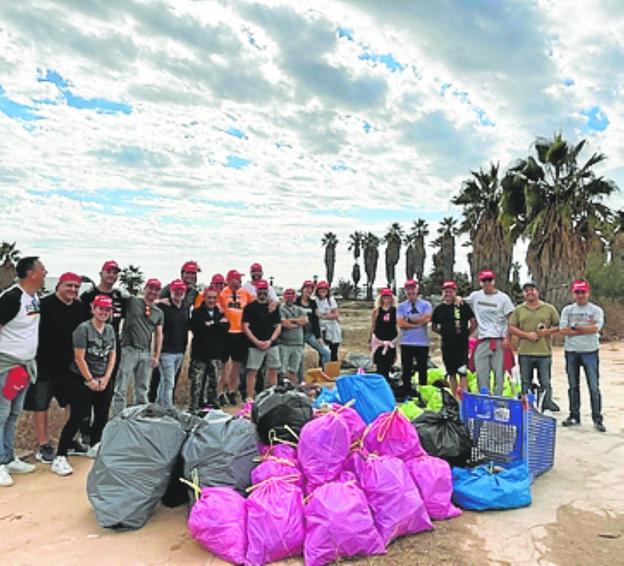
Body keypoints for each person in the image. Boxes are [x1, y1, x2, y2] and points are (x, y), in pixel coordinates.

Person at [51, 295, 116, 476]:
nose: (104, 312)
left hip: (103, 377)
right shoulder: (84, 329)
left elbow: (112, 354)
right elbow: (79, 357)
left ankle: (94, 445)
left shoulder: (110, 329)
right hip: (81, 378)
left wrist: (106, 378)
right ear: (93, 309)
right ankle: (61, 455)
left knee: (102, 414)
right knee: (78, 415)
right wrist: (90, 380)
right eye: (100, 308)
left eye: (107, 309)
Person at [23, 272, 83, 464]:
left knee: (72, 404)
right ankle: (44, 445)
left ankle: (70, 440)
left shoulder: (80, 307)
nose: (72, 290)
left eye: (76, 287)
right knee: (41, 406)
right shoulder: (43, 305)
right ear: (59, 285)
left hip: (70, 366)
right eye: (69, 286)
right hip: (44, 365)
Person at [0, 256, 46, 487]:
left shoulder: (34, 297)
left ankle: (7, 457)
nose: (45, 272)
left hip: (24, 367)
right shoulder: (11, 297)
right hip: (7, 365)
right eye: (42, 269)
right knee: (1, 414)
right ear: (31, 273)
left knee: (13, 414)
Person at [111, 279, 164, 416]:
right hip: (128, 349)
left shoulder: (158, 312)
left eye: (156, 289)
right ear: (145, 288)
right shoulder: (133, 302)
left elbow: (159, 335)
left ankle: (139, 416)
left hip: (146, 352)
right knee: (121, 387)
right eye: (150, 288)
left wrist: (156, 356)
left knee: (142, 388)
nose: (153, 292)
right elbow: (119, 293)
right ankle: (118, 417)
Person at [559, 280, 605, 432]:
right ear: (573, 293)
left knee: (593, 386)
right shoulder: (567, 310)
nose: (580, 295)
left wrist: (575, 327)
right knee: (573, 386)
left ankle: (597, 418)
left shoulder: (596, 310)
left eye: (583, 292)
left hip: (590, 352)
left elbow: (595, 328)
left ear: (588, 293)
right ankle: (574, 415)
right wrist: (584, 328)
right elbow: (563, 330)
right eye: (577, 292)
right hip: (571, 352)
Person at [509, 282, 560, 411]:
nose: (529, 292)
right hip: (525, 352)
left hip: (544, 352)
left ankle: (546, 404)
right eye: (526, 291)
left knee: (545, 381)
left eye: (532, 290)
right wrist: (526, 335)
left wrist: (546, 332)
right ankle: (527, 405)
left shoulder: (549, 308)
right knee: (525, 381)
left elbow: (559, 326)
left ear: (538, 291)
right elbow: (511, 327)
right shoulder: (519, 310)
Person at [465, 270, 515, 395]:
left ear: (493, 281)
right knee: (481, 373)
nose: (487, 283)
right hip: (483, 339)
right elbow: (462, 302)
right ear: (480, 283)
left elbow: (511, 319)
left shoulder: (503, 298)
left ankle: (498, 399)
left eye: (489, 280)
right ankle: (484, 398)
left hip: (499, 340)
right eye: (484, 281)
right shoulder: (476, 296)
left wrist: (507, 338)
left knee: (499, 373)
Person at [188, 286, 229, 412]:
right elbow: (200, 330)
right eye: (209, 297)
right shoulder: (196, 312)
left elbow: (226, 327)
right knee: (197, 382)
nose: (211, 300)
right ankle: (194, 406)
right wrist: (217, 325)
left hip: (215, 352)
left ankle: (212, 405)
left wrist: (211, 324)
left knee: (214, 382)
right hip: (199, 353)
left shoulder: (220, 312)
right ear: (204, 298)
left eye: (214, 298)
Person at [431, 280, 476, 395]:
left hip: (461, 346)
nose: (448, 294)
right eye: (446, 292)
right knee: (451, 373)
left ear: (455, 292)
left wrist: (466, 334)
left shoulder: (462, 306)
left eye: (451, 291)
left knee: (462, 372)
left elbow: (473, 323)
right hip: (447, 345)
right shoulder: (439, 309)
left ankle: (464, 398)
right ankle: (455, 398)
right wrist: (444, 333)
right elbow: (434, 327)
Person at [218, 270, 254, 406]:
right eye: (237, 279)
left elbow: (255, 304)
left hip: (240, 333)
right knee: (223, 365)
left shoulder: (245, 293)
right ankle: (220, 391)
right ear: (230, 280)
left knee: (236, 364)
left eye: (240, 279)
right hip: (226, 332)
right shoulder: (222, 293)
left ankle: (232, 391)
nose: (239, 281)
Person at [242, 280, 281, 400]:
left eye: (265, 290)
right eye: (260, 290)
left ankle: (272, 396)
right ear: (256, 291)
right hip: (255, 344)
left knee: (273, 369)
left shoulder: (272, 308)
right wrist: (256, 341)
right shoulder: (249, 307)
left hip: (271, 344)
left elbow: (278, 326)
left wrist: (271, 340)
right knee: (252, 371)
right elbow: (245, 326)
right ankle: (249, 397)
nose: (262, 292)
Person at [156, 279, 189, 408]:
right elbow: (146, 307)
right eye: (176, 290)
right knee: (169, 383)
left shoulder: (185, 308)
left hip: (180, 351)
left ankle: (160, 406)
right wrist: (157, 301)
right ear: (171, 291)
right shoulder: (163, 307)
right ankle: (168, 409)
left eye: (181, 290)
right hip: (166, 351)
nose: (179, 293)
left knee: (165, 382)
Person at [397, 279, 432, 398]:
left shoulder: (426, 305)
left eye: (413, 288)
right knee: (406, 369)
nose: (411, 291)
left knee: (422, 369)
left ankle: (423, 392)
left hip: (422, 343)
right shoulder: (401, 306)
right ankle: (406, 391)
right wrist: (417, 323)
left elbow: (427, 319)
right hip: (407, 342)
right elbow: (401, 323)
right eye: (408, 289)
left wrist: (410, 320)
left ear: (417, 289)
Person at [295, 280, 330, 378]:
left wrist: (318, 336)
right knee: (299, 357)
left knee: (326, 353)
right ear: (303, 289)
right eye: (307, 288)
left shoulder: (313, 303)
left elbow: (315, 321)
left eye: (311, 289)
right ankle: (300, 380)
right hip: (298, 334)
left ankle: (325, 376)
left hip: (310, 334)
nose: (308, 290)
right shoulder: (296, 302)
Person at [278, 288, 307, 385]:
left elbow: (305, 321)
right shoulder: (281, 309)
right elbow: (285, 324)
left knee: (294, 369)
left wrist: (291, 321)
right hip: (285, 344)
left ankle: (293, 387)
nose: (290, 299)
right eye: (288, 297)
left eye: (292, 297)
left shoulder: (299, 309)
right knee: (282, 369)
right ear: (284, 297)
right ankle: (282, 387)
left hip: (298, 344)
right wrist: (298, 323)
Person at [369, 288, 398, 379]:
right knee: (380, 364)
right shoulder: (376, 311)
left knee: (389, 362)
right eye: (384, 297)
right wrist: (370, 339)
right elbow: (373, 325)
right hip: (379, 340)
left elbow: (398, 325)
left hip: (391, 340)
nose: (386, 299)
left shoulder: (395, 310)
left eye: (388, 297)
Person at [315, 281, 341, 361]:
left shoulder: (330, 300)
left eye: (325, 289)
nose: (323, 291)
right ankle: (323, 369)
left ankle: (333, 370)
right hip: (322, 329)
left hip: (332, 329)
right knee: (323, 351)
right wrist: (328, 315)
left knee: (334, 351)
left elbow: (336, 314)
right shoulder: (315, 301)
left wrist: (323, 316)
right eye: (321, 289)